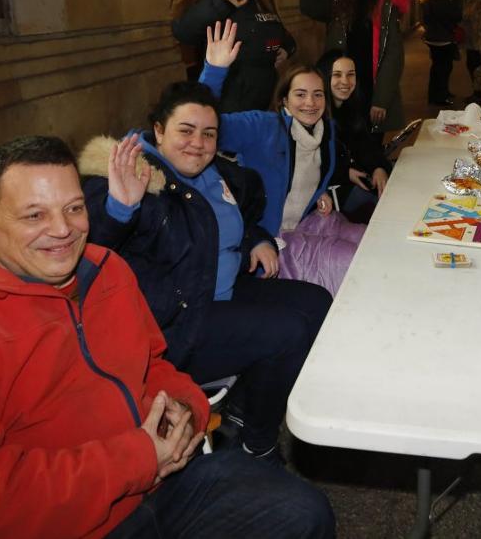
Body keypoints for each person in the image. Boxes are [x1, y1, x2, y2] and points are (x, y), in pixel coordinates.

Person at [0, 135, 334, 539]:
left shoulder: (104, 270)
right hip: (69, 521)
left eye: (74, 208)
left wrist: (184, 410)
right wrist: (136, 458)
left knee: (303, 512)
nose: (62, 230)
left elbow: (154, 364)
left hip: (153, 488)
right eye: (34, 214)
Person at [79, 83, 332, 462]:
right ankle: (259, 443)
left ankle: (246, 404)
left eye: (208, 134)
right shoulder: (130, 177)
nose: (197, 142)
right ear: (159, 132)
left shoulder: (215, 174)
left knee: (316, 301)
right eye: (185, 130)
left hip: (222, 290)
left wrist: (255, 238)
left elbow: (235, 216)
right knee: (288, 332)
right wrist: (119, 210)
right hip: (178, 320)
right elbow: (89, 246)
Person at [202, 22, 363, 295]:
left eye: (317, 94)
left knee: (369, 239)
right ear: (284, 101)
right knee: (351, 260)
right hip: (273, 237)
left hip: (307, 221)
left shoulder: (326, 132)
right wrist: (214, 71)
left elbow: (312, 172)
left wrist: (319, 192)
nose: (310, 103)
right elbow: (205, 121)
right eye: (300, 95)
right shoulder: (263, 126)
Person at [170, 0, 296, 108]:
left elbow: (281, 34)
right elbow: (184, 32)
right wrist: (223, 2)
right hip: (228, 97)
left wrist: (286, 49)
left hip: (263, 95)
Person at [302, 0, 408, 132]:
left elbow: (394, 54)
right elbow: (309, 7)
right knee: (339, 141)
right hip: (340, 88)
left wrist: (381, 99)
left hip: (371, 88)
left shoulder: (387, 3)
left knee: (370, 146)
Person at [316, 49, 391, 220]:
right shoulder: (316, 115)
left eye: (351, 75)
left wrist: (378, 167)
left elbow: (365, 143)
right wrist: (345, 172)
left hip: (353, 181)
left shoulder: (351, 108)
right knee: (382, 212)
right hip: (332, 195)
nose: (345, 81)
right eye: (337, 75)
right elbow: (312, 162)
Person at [421, 0, 462, 106]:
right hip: (445, 39)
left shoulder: (427, 2)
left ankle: (434, 94)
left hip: (431, 39)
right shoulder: (449, 4)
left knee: (436, 67)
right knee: (445, 68)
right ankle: (441, 96)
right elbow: (458, 17)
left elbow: (424, 20)